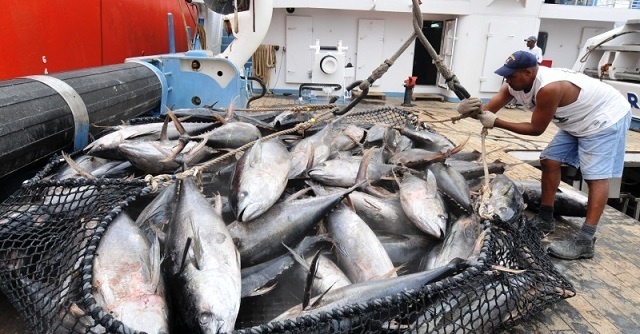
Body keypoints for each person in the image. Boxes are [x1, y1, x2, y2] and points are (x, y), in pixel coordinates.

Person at [456, 50, 631, 260]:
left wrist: (497, 122)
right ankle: (546, 217)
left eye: (511, 75)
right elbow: (486, 111)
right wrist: (465, 109)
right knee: (549, 161)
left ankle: (586, 240)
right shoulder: (513, 85)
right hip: (575, 121)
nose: (507, 80)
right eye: (506, 75)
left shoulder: (549, 88)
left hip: (604, 118)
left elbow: (536, 128)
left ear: (528, 72)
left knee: (595, 176)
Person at [505, 36, 544, 109]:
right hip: (523, 71)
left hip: (532, 73)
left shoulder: (538, 50)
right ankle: (513, 103)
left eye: (529, 41)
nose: (527, 43)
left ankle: (515, 103)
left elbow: (538, 61)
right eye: (527, 41)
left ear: (533, 42)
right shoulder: (527, 50)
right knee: (518, 86)